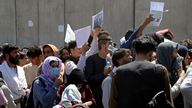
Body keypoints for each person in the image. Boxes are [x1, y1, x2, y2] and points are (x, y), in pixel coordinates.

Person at [109, 36, 173, 108]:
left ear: (135, 51)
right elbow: (168, 100)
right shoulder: (161, 70)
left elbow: (112, 103)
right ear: (151, 53)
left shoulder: (119, 72)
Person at [85, 34, 112, 108]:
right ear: (103, 46)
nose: (111, 47)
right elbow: (89, 80)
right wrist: (103, 74)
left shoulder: (110, 59)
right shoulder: (91, 60)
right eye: (110, 44)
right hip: (97, 98)